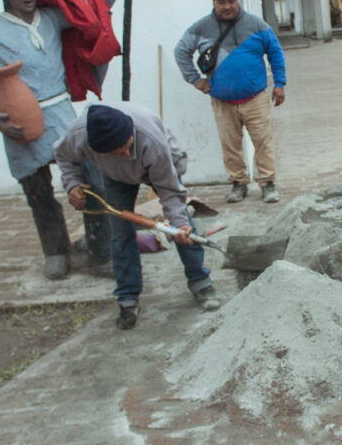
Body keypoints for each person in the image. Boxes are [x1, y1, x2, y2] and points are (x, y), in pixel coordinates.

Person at [0, 0, 138, 280]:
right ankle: (56, 251)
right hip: (18, 120)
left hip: (61, 112)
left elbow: (97, 3)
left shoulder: (52, 18)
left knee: (90, 179)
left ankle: (100, 250)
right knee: (37, 189)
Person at [54, 102, 220, 330]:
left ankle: (201, 282)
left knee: (183, 227)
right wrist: (72, 183)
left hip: (163, 166)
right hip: (115, 177)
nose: (125, 154)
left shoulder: (150, 140)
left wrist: (179, 223)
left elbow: (170, 191)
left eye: (126, 146)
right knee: (120, 234)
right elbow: (63, 156)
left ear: (130, 133)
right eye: (116, 152)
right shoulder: (78, 135)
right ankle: (127, 298)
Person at [174, 0, 287, 204]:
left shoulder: (257, 25)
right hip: (222, 101)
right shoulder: (200, 27)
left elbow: (275, 52)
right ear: (214, 1)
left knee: (263, 142)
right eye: (221, 1)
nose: (226, 6)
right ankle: (238, 183)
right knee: (230, 145)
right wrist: (195, 80)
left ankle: (267, 183)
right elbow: (181, 51)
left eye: (230, 0)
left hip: (255, 98)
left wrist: (279, 84)